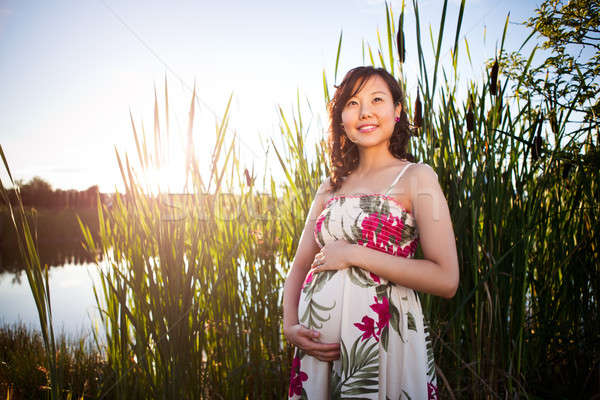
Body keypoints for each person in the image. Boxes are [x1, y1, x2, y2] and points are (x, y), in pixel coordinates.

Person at [282, 66, 459, 399]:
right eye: (352, 102)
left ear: (397, 111)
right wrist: (290, 326)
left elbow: (446, 278)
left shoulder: (416, 177)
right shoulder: (328, 188)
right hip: (320, 355)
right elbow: (298, 268)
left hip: (385, 347)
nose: (365, 112)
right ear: (341, 119)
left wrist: (354, 254)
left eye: (377, 99)